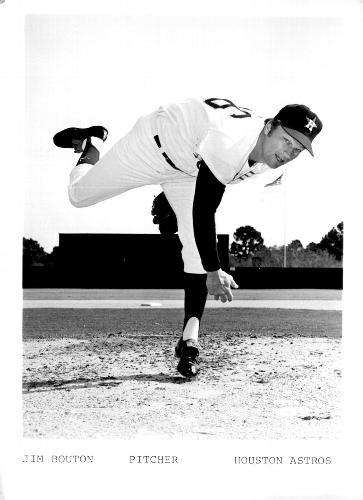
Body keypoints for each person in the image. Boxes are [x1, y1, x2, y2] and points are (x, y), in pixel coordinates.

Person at [53, 97, 322, 378]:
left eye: (299, 148)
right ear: (270, 127)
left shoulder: (268, 159)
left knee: (197, 252)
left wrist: (172, 200)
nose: (290, 152)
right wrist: (215, 271)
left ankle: (188, 341)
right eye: (287, 140)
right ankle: (89, 143)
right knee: (79, 195)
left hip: (188, 167)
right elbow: (205, 210)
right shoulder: (232, 140)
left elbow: (209, 181)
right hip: (152, 145)